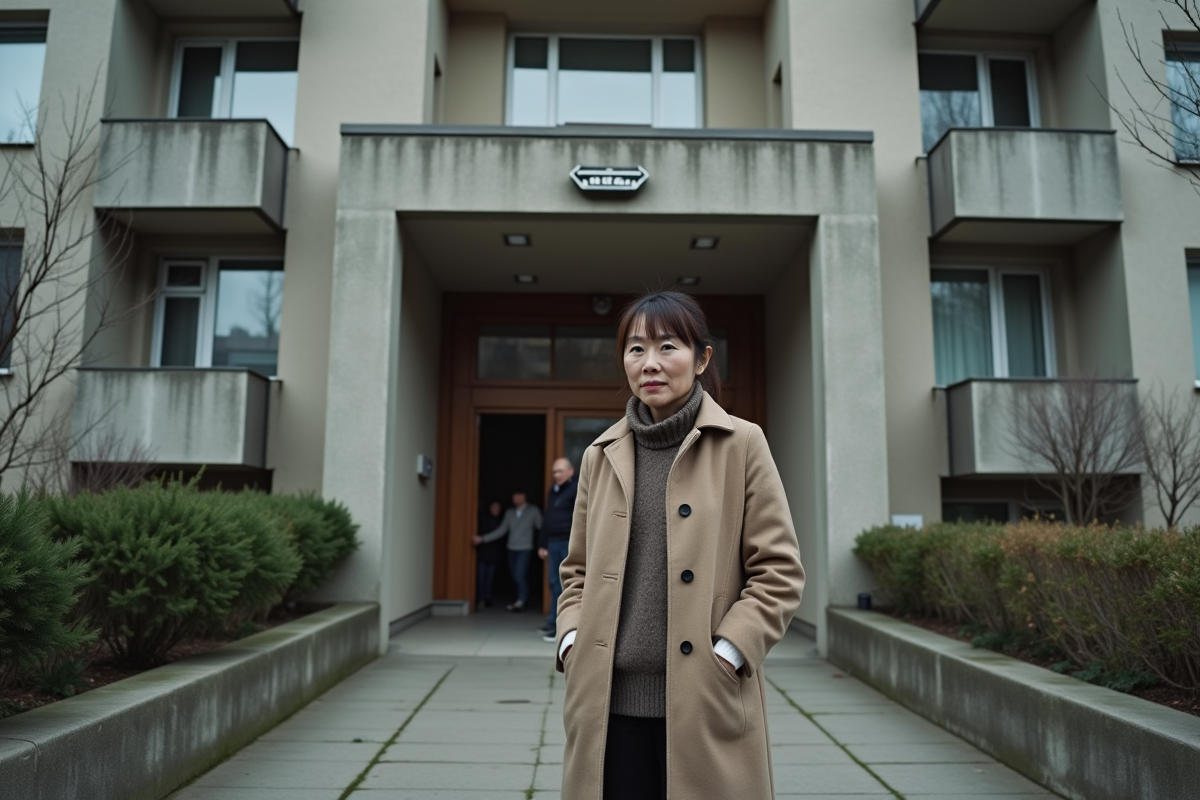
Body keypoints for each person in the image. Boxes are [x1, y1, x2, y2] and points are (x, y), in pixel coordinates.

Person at [554, 290, 805, 800]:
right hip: (606, 701)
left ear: (702, 357)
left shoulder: (742, 444)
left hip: (704, 697)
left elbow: (778, 571)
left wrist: (731, 651)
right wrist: (571, 641)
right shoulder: (599, 455)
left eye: (668, 347)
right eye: (635, 348)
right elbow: (575, 570)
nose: (650, 363)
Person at [475, 489, 543, 612]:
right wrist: (483, 539)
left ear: (525, 496)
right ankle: (521, 600)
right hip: (511, 548)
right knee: (514, 575)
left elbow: (541, 527)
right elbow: (502, 530)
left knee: (519, 575)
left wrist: (543, 544)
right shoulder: (509, 513)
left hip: (525, 548)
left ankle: (521, 600)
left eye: (519, 495)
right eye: (514, 496)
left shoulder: (533, 511)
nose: (516, 498)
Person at [537, 457, 577, 642]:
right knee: (554, 583)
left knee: (567, 584)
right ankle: (553, 622)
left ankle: (563, 627)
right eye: (554, 472)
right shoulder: (552, 491)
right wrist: (542, 543)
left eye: (560, 471)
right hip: (553, 543)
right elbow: (548, 518)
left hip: (568, 543)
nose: (556, 475)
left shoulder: (576, 489)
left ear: (571, 471)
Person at [475, 500, 505, 609]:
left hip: (494, 554)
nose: (496, 509)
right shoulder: (482, 520)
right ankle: (480, 599)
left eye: (498, 507)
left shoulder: (502, 520)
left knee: (490, 578)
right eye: (493, 507)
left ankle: (487, 597)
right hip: (482, 553)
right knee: (481, 578)